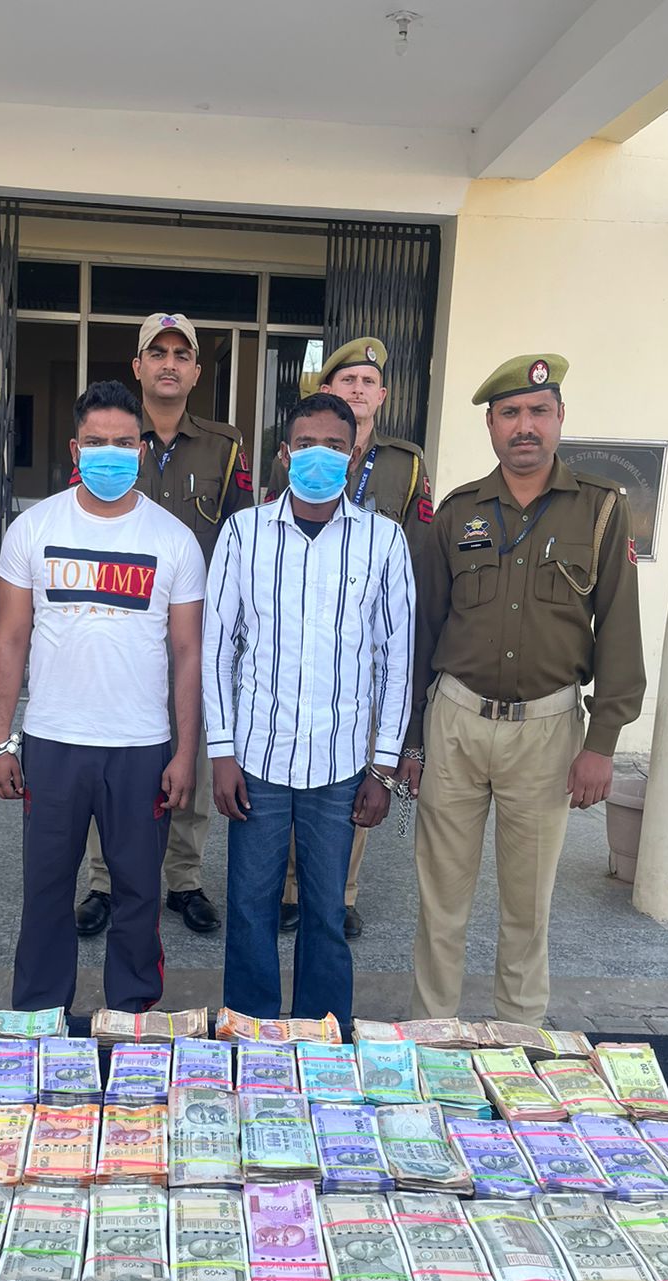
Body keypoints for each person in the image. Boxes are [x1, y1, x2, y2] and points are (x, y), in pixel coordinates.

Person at [405, 353, 645, 1026]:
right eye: (510, 413)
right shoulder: (457, 512)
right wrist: (411, 742)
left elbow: (620, 628)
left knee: (527, 905)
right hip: (456, 722)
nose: (525, 426)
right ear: (491, 425)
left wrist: (602, 744)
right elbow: (424, 633)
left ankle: (517, 1040)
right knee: (440, 901)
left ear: (560, 417)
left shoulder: (600, 509)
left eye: (539, 411)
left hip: (546, 732)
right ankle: (430, 1033)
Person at [0, 379, 206, 1014]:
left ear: (142, 449)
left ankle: (132, 1017)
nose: (110, 454)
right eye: (96, 442)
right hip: (53, 742)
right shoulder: (34, 528)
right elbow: (9, 639)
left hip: (140, 748)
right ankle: (39, 1016)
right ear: (74, 449)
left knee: (139, 895)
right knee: (45, 891)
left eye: (123, 443)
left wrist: (184, 752)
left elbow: (189, 652)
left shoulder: (173, 539)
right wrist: (0, 742)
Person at [204, 392, 414, 1028]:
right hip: (258, 759)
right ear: (284, 453)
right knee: (251, 908)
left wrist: (382, 768)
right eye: (305, 444)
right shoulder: (244, 533)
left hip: (341, 764)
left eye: (333, 446)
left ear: (353, 455)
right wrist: (221, 751)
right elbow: (218, 646)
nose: (318, 456)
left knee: (325, 912)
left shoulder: (383, 540)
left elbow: (396, 658)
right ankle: (252, 1031)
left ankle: (323, 1037)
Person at [75, 312, 251, 939]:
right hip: (119, 626)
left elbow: (240, 539)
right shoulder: (110, 438)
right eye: (158, 353)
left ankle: (183, 877)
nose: (169, 364)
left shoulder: (225, 448)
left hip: (193, 630)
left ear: (197, 371)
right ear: (138, 365)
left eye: (181, 354)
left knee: (189, 753)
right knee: (111, 753)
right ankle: (104, 880)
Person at [266, 337, 432, 939]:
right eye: (347, 381)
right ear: (327, 390)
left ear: (382, 395)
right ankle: (290, 887)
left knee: (355, 772)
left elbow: (417, 555)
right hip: (301, 638)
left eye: (367, 382)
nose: (358, 390)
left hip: (364, 644)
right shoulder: (297, 450)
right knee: (293, 761)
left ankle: (342, 890)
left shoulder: (405, 465)